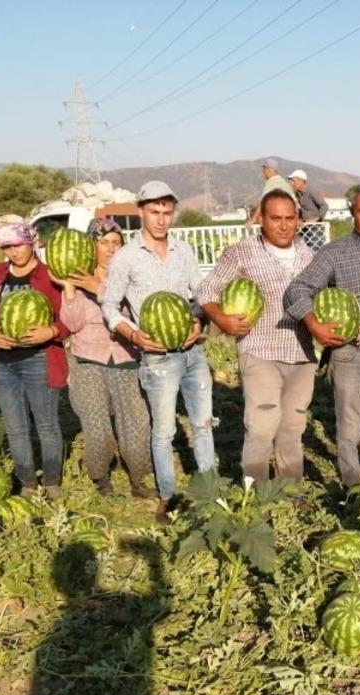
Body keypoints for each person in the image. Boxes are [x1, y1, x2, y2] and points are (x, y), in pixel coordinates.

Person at [101, 181, 211, 522]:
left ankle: (210, 492)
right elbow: (109, 304)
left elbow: (201, 293)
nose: (162, 220)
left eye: (167, 212)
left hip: (193, 354)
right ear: (141, 212)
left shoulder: (185, 250)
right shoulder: (126, 257)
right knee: (164, 431)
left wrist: (199, 320)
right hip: (158, 357)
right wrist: (133, 334)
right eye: (154, 212)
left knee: (204, 424)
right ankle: (168, 495)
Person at [285, 184, 360, 487]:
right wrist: (313, 324)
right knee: (350, 428)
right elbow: (297, 290)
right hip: (350, 353)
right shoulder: (333, 253)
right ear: (353, 211)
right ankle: (353, 489)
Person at [199, 187, 316, 483]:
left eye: (290, 218)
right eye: (275, 218)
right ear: (261, 218)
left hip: (302, 354)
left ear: (298, 219)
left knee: (292, 428)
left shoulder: (309, 254)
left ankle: (291, 490)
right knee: (262, 427)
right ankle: (255, 492)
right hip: (260, 351)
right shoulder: (241, 253)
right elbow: (206, 290)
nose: (284, 225)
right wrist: (222, 319)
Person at [57, 218, 156, 498]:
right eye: (104, 243)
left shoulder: (133, 277)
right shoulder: (77, 275)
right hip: (87, 358)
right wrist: (70, 288)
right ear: (92, 246)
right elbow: (72, 323)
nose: (111, 249)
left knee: (136, 423)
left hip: (127, 356)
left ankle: (139, 480)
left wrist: (96, 287)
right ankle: (101, 478)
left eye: (116, 243)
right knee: (97, 426)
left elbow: (137, 316)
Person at [0, 218, 69, 499]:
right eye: (7, 246)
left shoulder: (50, 274)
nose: (13, 251)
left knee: (47, 425)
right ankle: (27, 482)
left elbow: (70, 315)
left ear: (31, 241)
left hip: (39, 359)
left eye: (18, 244)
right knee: (16, 427)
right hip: (4, 363)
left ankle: (52, 482)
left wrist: (51, 331)